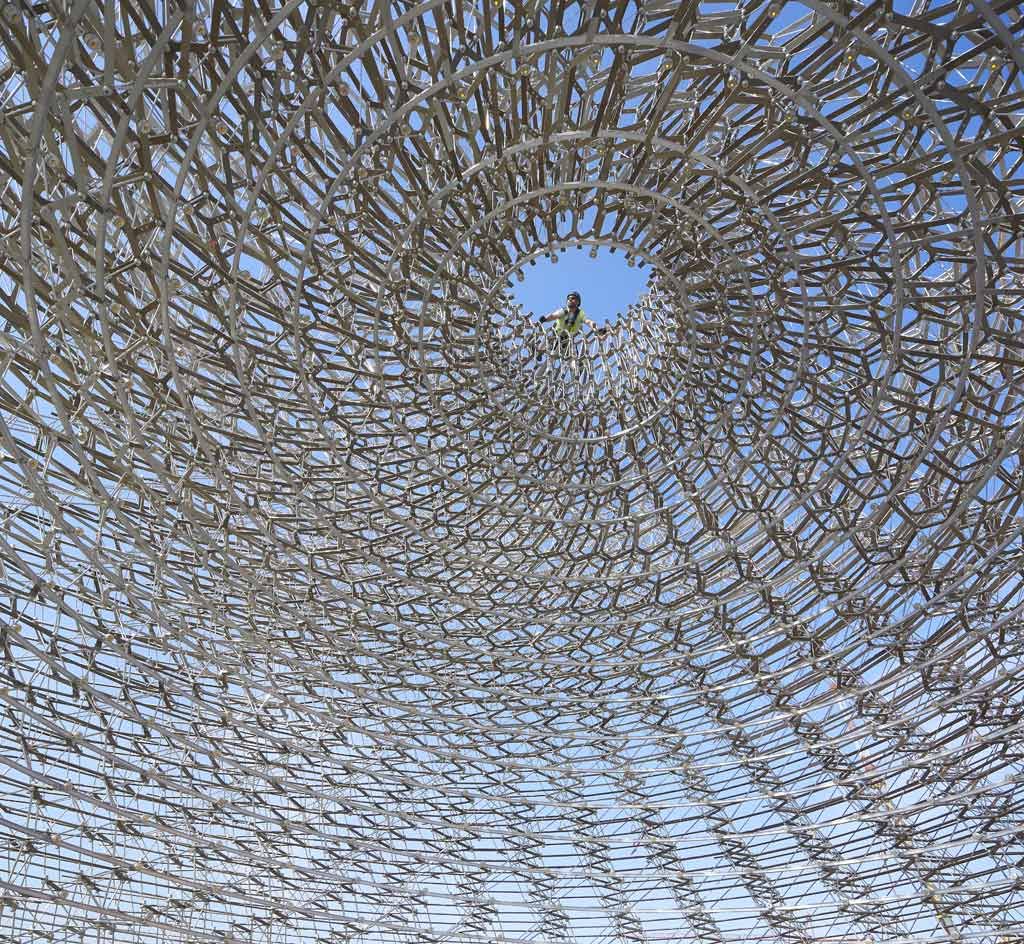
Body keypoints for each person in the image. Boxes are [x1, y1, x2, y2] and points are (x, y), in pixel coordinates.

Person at [535, 291, 605, 361]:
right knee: (548, 336)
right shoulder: (564, 310)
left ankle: (576, 367)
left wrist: (596, 328)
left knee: (573, 356)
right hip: (556, 336)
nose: (570, 300)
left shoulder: (580, 314)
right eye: (569, 299)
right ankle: (540, 351)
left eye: (573, 298)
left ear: (578, 302)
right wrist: (545, 319)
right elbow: (553, 315)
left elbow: (588, 321)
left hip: (569, 340)